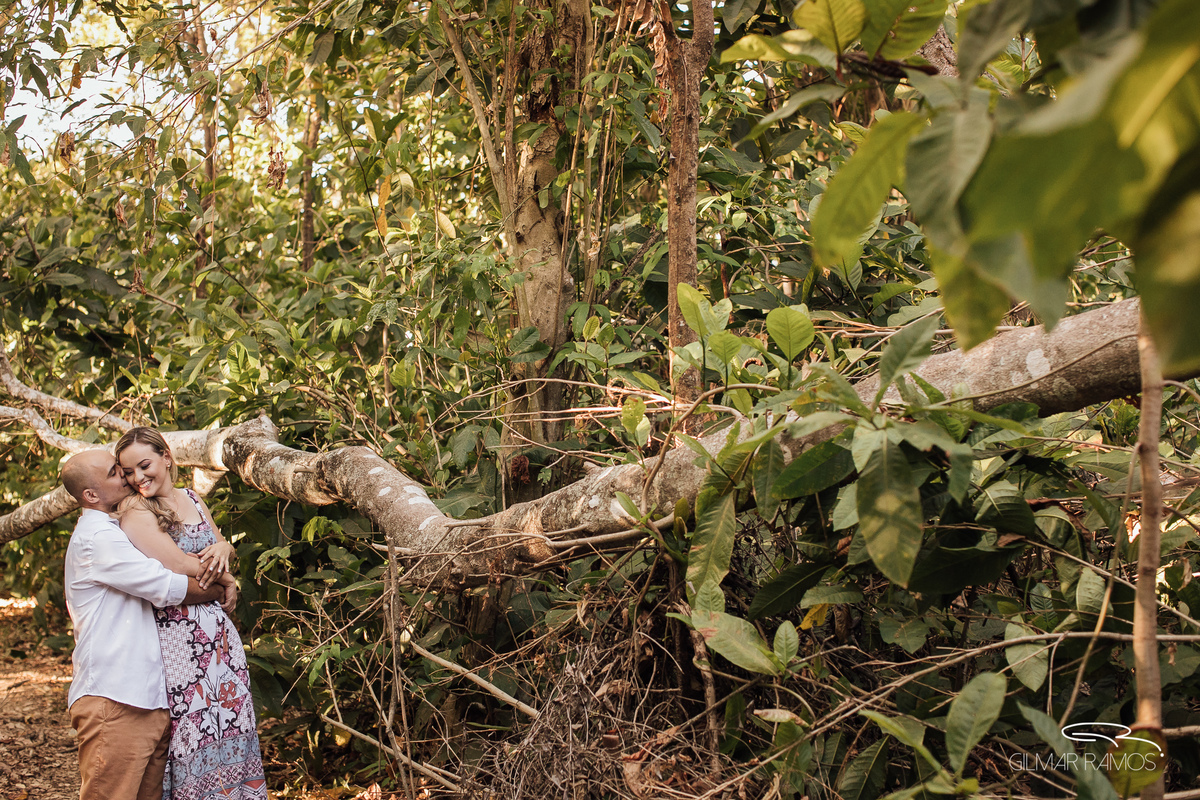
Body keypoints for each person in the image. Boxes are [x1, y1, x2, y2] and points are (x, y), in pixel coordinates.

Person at [61, 448, 235, 800]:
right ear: (91, 495)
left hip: (151, 696)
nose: (126, 477)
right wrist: (222, 585)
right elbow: (166, 586)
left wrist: (224, 551)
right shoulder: (98, 538)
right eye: (115, 472)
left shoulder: (118, 526)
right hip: (115, 697)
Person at [115, 426, 268, 800]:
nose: (138, 477)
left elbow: (215, 547)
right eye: (128, 472)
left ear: (166, 456)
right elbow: (184, 564)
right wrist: (227, 577)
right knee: (193, 736)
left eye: (144, 465)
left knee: (233, 727)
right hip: (178, 644)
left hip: (220, 640)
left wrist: (227, 548)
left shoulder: (193, 498)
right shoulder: (136, 511)